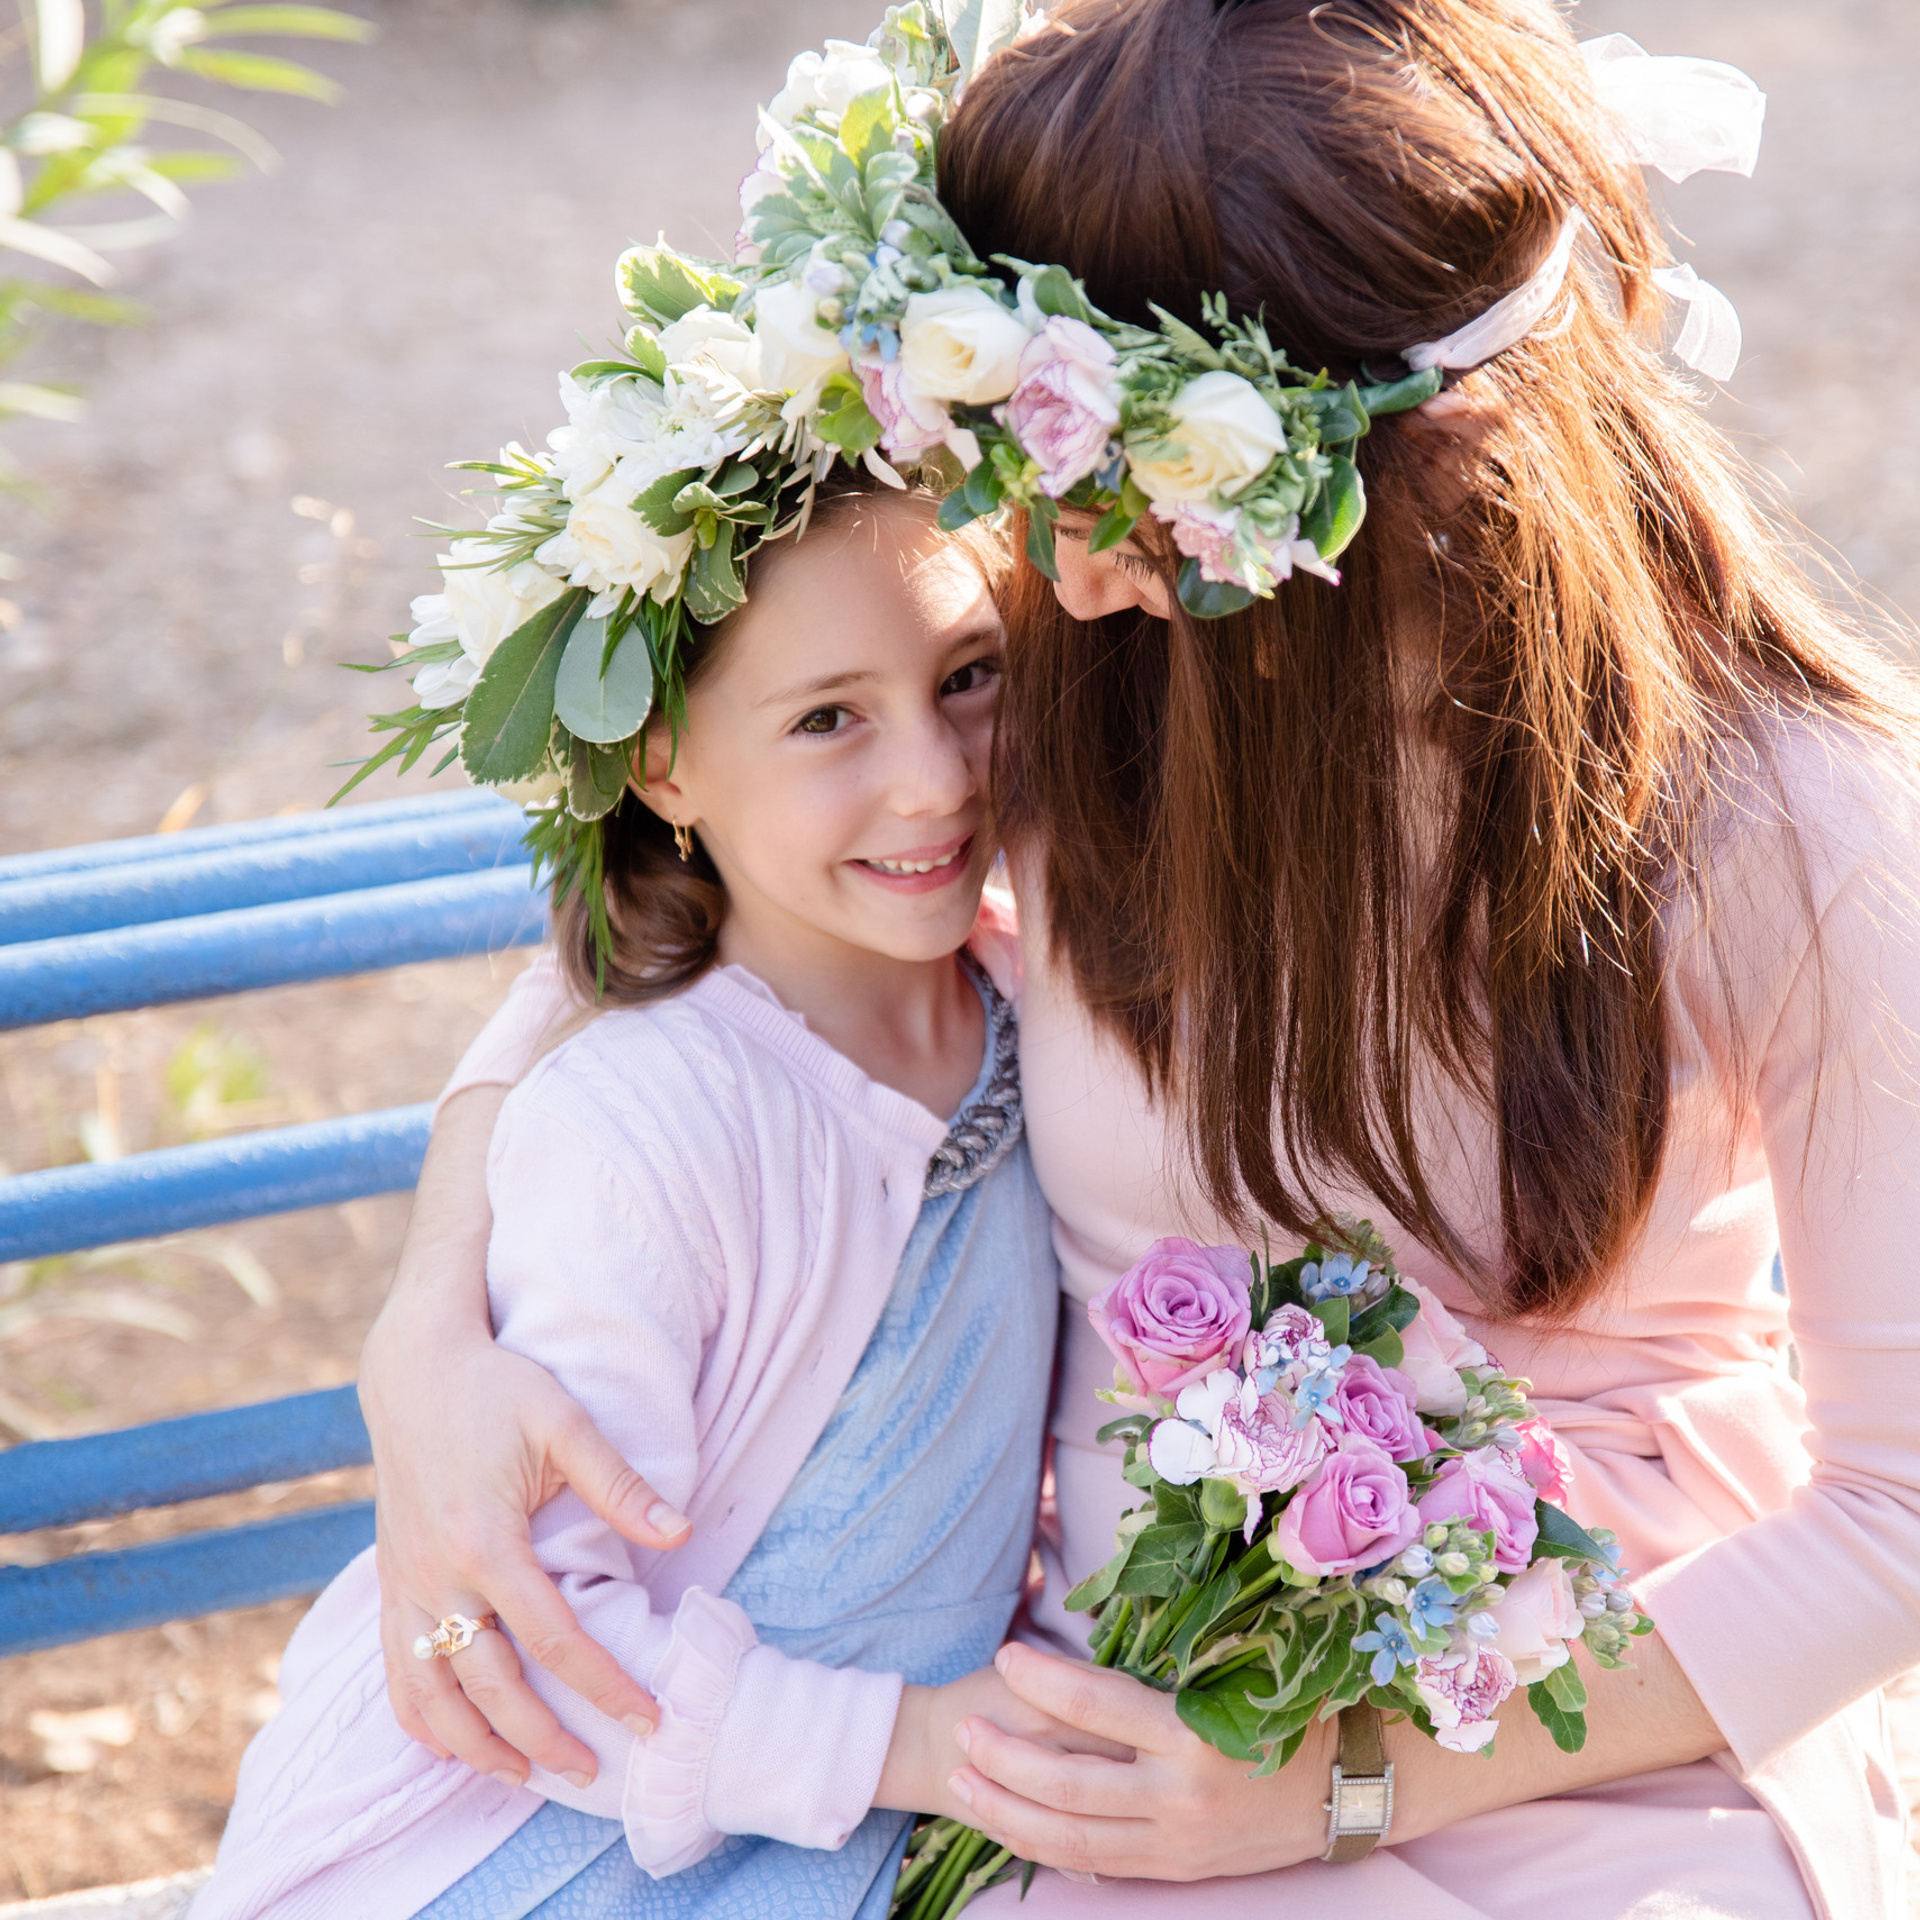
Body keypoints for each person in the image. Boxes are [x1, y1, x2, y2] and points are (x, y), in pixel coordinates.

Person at [357, 2, 1920, 1914]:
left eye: (1086, 465)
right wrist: (424, 1336)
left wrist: (1346, 1790)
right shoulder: (1084, 668)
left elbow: (1901, 1518)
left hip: (1602, 1719)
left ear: (1366, 456)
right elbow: (674, 919)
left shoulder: (1787, 820)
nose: (1018, 526)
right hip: (1124, 1727)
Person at [192, 476, 1096, 1920]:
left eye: (969, 678)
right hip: (537, 1847)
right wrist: (923, 1742)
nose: (937, 776)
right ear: (664, 766)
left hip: (865, 1830)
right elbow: (546, 1651)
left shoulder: (1029, 992)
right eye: (827, 719)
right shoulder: (650, 1124)